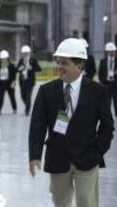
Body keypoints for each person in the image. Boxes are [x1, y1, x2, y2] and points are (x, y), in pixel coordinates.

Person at [29, 38, 114, 207]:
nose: (60, 67)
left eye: (65, 63)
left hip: (87, 159)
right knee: (60, 203)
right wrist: (35, 155)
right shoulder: (46, 91)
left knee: (87, 203)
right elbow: (37, 125)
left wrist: (98, 152)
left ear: (80, 65)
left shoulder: (98, 91)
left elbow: (107, 126)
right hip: (58, 157)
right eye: (58, 62)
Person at [16, 45, 41, 116]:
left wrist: (32, 68)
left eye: (27, 53)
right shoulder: (21, 61)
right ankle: (28, 105)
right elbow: (16, 69)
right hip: (22, 81)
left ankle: (27, 110)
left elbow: (39, 69)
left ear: (29, 53)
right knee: (22, 96)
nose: (25, 54)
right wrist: (19, 69)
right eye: (24, 53)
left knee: (28, 96)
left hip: (30, 81)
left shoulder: (33, 60)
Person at [0, 50, 17, 115]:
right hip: (1, 83)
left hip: (9, 83)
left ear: (7, 58)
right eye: (2, 58)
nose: (3, 60)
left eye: (5, 58)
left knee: (12, 97)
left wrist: (13, 82)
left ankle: (14, 109)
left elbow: (14, 75)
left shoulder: (11, 65)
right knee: (1, 97)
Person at [99, 42, 117, 117]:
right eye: (111, 51)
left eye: (113, 51)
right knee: (106, 102)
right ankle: (107, 117)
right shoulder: (103, 61)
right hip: (106, 85)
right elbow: (100, 73)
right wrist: (103, 82)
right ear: (107, 52)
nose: (112, 52)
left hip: (115, 84)